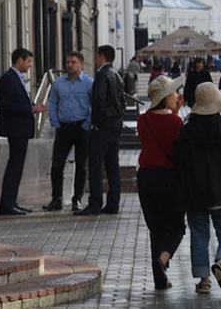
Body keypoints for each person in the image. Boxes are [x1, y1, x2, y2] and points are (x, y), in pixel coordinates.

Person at [175, 82, 221, 294]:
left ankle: (204, 280)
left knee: (199, 234)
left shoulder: (187, 130)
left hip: (194, 192)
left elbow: (177, 157)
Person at [136, 75, 186, 291]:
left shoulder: (142, 119)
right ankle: (163, 259)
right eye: (174, 92)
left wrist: (173, 112)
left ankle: (160, 280)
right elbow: (175, 147)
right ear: (165, 98)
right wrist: (175, 114)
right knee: (176, 228)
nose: (177, 95)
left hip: (146, 177)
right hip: (168, 178)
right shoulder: (176, 121)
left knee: (155, 228)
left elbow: (158, 132)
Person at [0, 48, 47, 215]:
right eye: (28, 62)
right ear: (20, 60)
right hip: (15, 129)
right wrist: (31, 109)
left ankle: (12, 201)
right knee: (14, 166)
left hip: (22, 129)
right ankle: (6, 204)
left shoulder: (18, 79)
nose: (30, 65)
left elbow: (22, 100)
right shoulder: (7, 79)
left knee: (17, 167)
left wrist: (35, 106)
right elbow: (7, 104)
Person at [44, 52, 94, 212]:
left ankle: (77, 199)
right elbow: (52, 102)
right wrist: (55, 122)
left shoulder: (89, 83)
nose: (69, 65)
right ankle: (56, 199)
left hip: (82, 128)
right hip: (63, 128)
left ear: (81, 64)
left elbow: (94, 104)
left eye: (73, 62)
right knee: (57, 164)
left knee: (82, 165)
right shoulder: (59, 83)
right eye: (67, 62)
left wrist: (87, 123)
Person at [78, 45, 125, 216]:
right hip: (116, 122)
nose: (95, 59)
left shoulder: (102, 75)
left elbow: (99, 100)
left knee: (95, 163)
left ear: (101, 57)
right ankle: (113, 203)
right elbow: (121, 100)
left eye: (97, 56)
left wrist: (97, 122)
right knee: (113, 164)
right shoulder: (117, 75)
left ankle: (95, 203)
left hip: (104, 124)